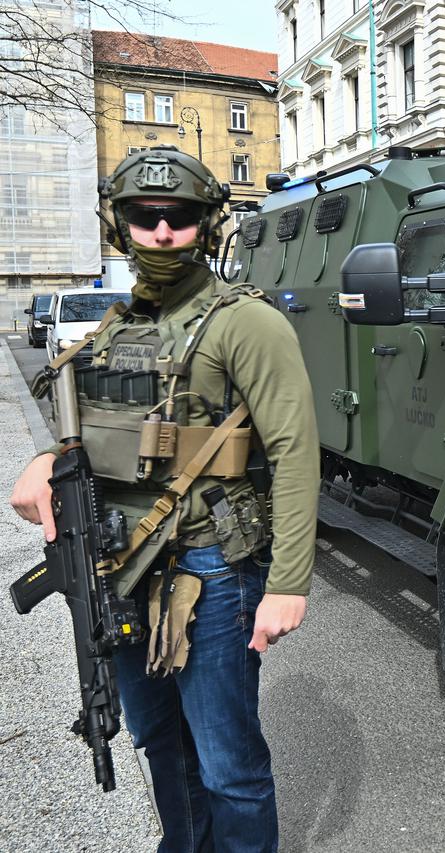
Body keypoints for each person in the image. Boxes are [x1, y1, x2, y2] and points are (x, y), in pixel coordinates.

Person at [9, 146, 319, 853]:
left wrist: (288, 583)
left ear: (205, 224)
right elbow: (83, 433)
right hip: (119, 563)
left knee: (228, 766)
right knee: (159, 743)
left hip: (208, 568)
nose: (161, 231)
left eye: (178, 216)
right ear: (118, 225)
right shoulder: (118, 327)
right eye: (142, 216)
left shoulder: (248, 322)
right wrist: (42, 458)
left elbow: (298, 451)